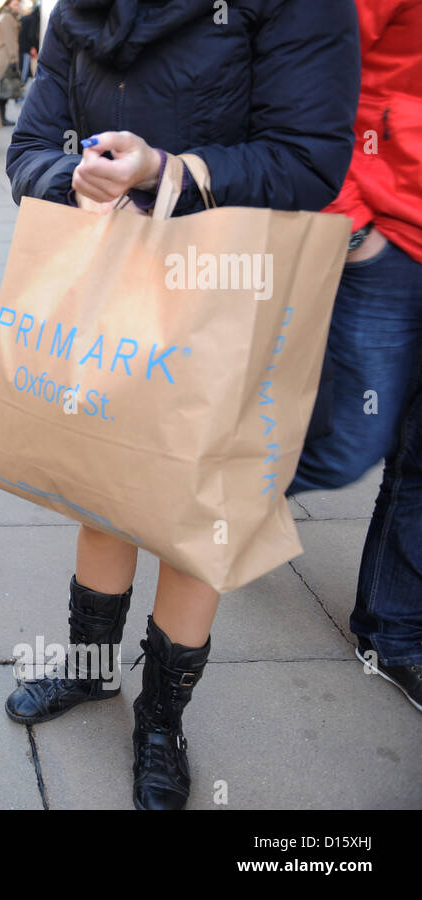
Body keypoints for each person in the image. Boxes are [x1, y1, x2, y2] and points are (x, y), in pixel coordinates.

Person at [3, 0, 359, 809]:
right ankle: (93, 673)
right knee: (102, 490)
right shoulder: (78, 11)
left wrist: (170, 171)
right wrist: (74, 179)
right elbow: (30, 148)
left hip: (228, 293)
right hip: (114, 289)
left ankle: (161, 720)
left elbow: (310, 159)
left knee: (200, 513)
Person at [289, 0, 422, 714]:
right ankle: (213, 505)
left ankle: (394, 631)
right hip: (393, 235)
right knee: (346, 444)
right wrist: (350, 227)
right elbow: (314, 66)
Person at [0, 0, 21, 125]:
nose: (18, 6)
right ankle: (1, 118)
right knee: (5, 89)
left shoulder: (5, 16)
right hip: (6, 58)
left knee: (4, 89)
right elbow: (10, 41)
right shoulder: (7, 18)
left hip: (3, 56)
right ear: (8, 5)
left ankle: (1, 117)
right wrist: (14, 59)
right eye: (15, 4)